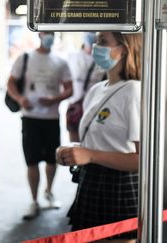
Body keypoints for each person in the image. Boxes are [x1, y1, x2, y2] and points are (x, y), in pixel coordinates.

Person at [56, 32, 142, 242]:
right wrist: (73, 151)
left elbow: (143, 160)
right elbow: (96, 143)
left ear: (123, 49)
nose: (96, 47)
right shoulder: (96, 89)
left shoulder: (134, 92)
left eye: (103, 42)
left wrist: (90, 155)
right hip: (91, 181)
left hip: (118, 186)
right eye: (96, 41)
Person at [7, 32, 73, 220]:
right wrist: (20, 98)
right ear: (40, 34)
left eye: (52, 34)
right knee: (32, 160)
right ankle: (34, 200)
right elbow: (10, 82)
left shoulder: (61, 61)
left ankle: (49, 192)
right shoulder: (25, 57)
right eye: (46, 33)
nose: (49, 37)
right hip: (30, 118)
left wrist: (56, 98)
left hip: (52, 118)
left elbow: (70, 88)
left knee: (53, 160)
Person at [66, 32, 106, 142]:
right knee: (75, 140)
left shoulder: (102, 59)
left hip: (95, 106)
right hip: (76, 104)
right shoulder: (73, 57)